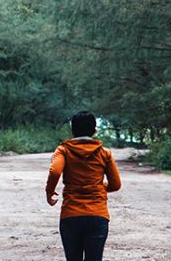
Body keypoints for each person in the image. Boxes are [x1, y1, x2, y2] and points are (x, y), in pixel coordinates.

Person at [46, 110, 122, 261]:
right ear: (94, 130)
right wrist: (98, 186)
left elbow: (55, 171)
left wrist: (49, 191)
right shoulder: (104, 153)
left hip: (71, 215)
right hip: (97, 215)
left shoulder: (64, 150)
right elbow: (116, 184)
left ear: (72, 130)